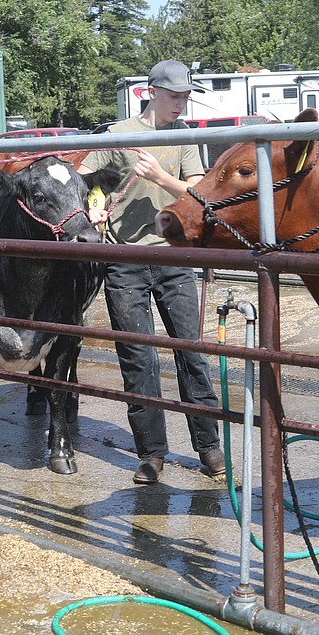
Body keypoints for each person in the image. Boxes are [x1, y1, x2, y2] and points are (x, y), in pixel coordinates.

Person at [80, 60, 225, 485]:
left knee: (189, 350)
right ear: (151, 93)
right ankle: (151, 454)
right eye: (173, 95)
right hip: (124, 259)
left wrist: (161, 176)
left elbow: (198, 195)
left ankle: (209, 446)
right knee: (137, 356)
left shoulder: (183, 139)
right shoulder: (116, 137)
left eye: (185, 96)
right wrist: (95, 206)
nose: (180, 103)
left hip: (173, 258)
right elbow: (86, 181)